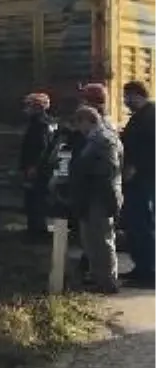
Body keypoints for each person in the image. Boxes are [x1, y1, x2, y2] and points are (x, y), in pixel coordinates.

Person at [65, 105, 122, 294]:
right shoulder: (93, 139)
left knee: (102, 239)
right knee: (90, 239)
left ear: (88, 121)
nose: (79, 129)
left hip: (101, 195)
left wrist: (84, 173)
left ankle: (108, 281)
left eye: (79, 123)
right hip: (90, 196)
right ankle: (99, 278)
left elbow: (109, 169)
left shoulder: (104, 140)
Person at [120, 81, 156, 288]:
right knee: (135, 224)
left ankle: (149, 271)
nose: (125, 101)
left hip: (145, 180)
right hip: (136, 181)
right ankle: (141, 267)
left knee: (144, 225)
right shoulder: (140, 117)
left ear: (137, 95)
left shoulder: (151, 117)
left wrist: (137, 167)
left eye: (128, 96)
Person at [19, 92, 57, 240]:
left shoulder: (38, 124)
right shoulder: (50, 122)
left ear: (36, 107)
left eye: (28, 105)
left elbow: (40, 147)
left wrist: (32, 167)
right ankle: (39, 229)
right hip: (46, 168)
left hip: (36, 168)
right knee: (40, 199)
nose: (25, 109)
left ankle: (36, 232)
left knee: (34, 200)